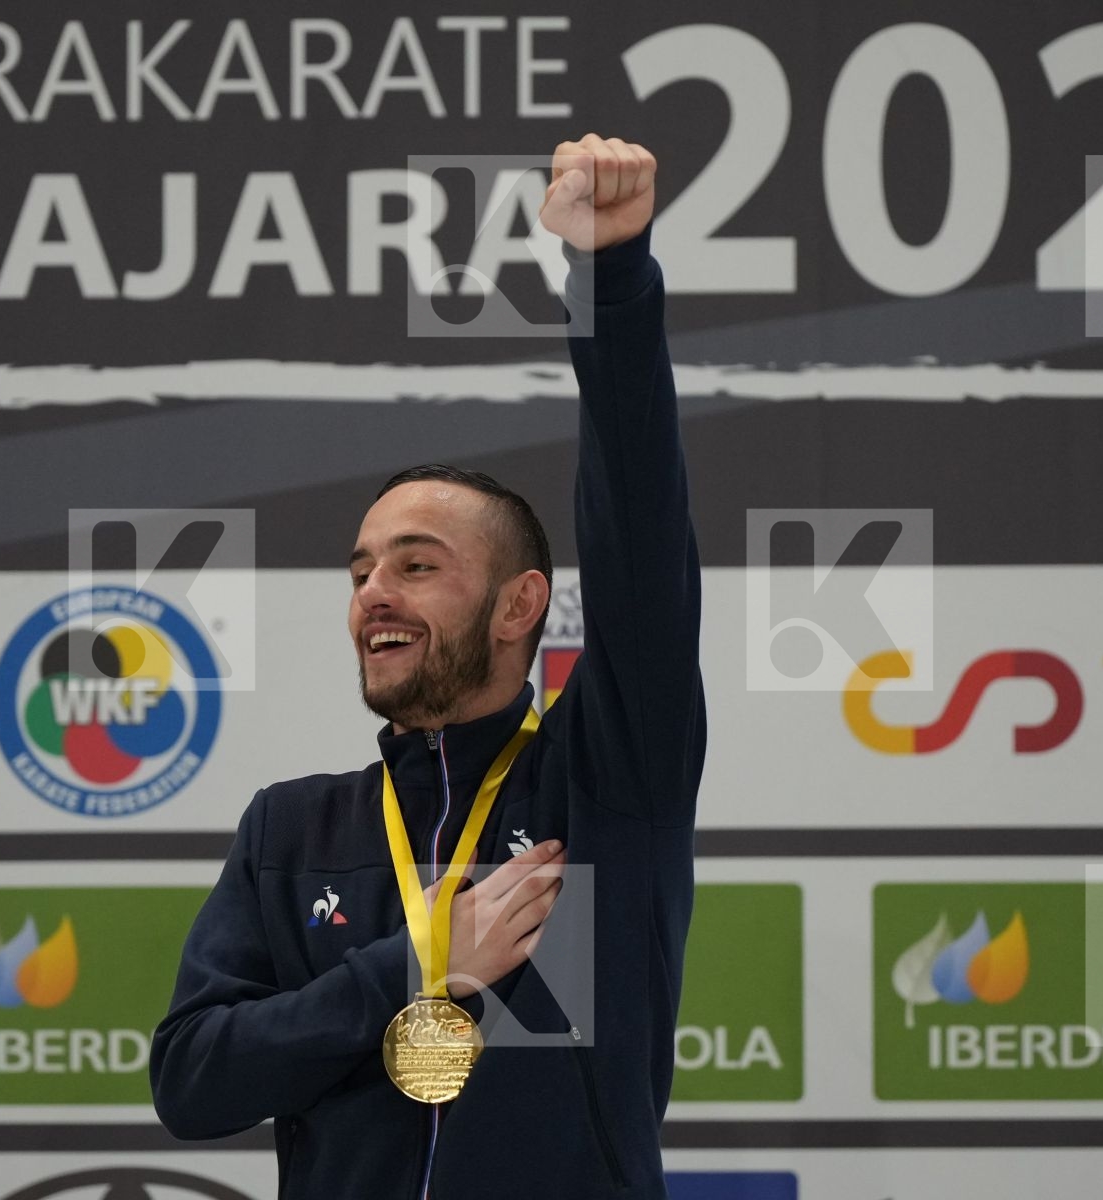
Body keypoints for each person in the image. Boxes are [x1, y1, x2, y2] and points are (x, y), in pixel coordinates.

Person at [151, 133, 705, 1200]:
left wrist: (611, 279)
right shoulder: (292, 830)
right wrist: (416, 964)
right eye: (361, 569)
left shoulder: (605, 786)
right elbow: (192, 1082)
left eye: (417, 565)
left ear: (519, 605)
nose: (374, 593)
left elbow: (641, 529)